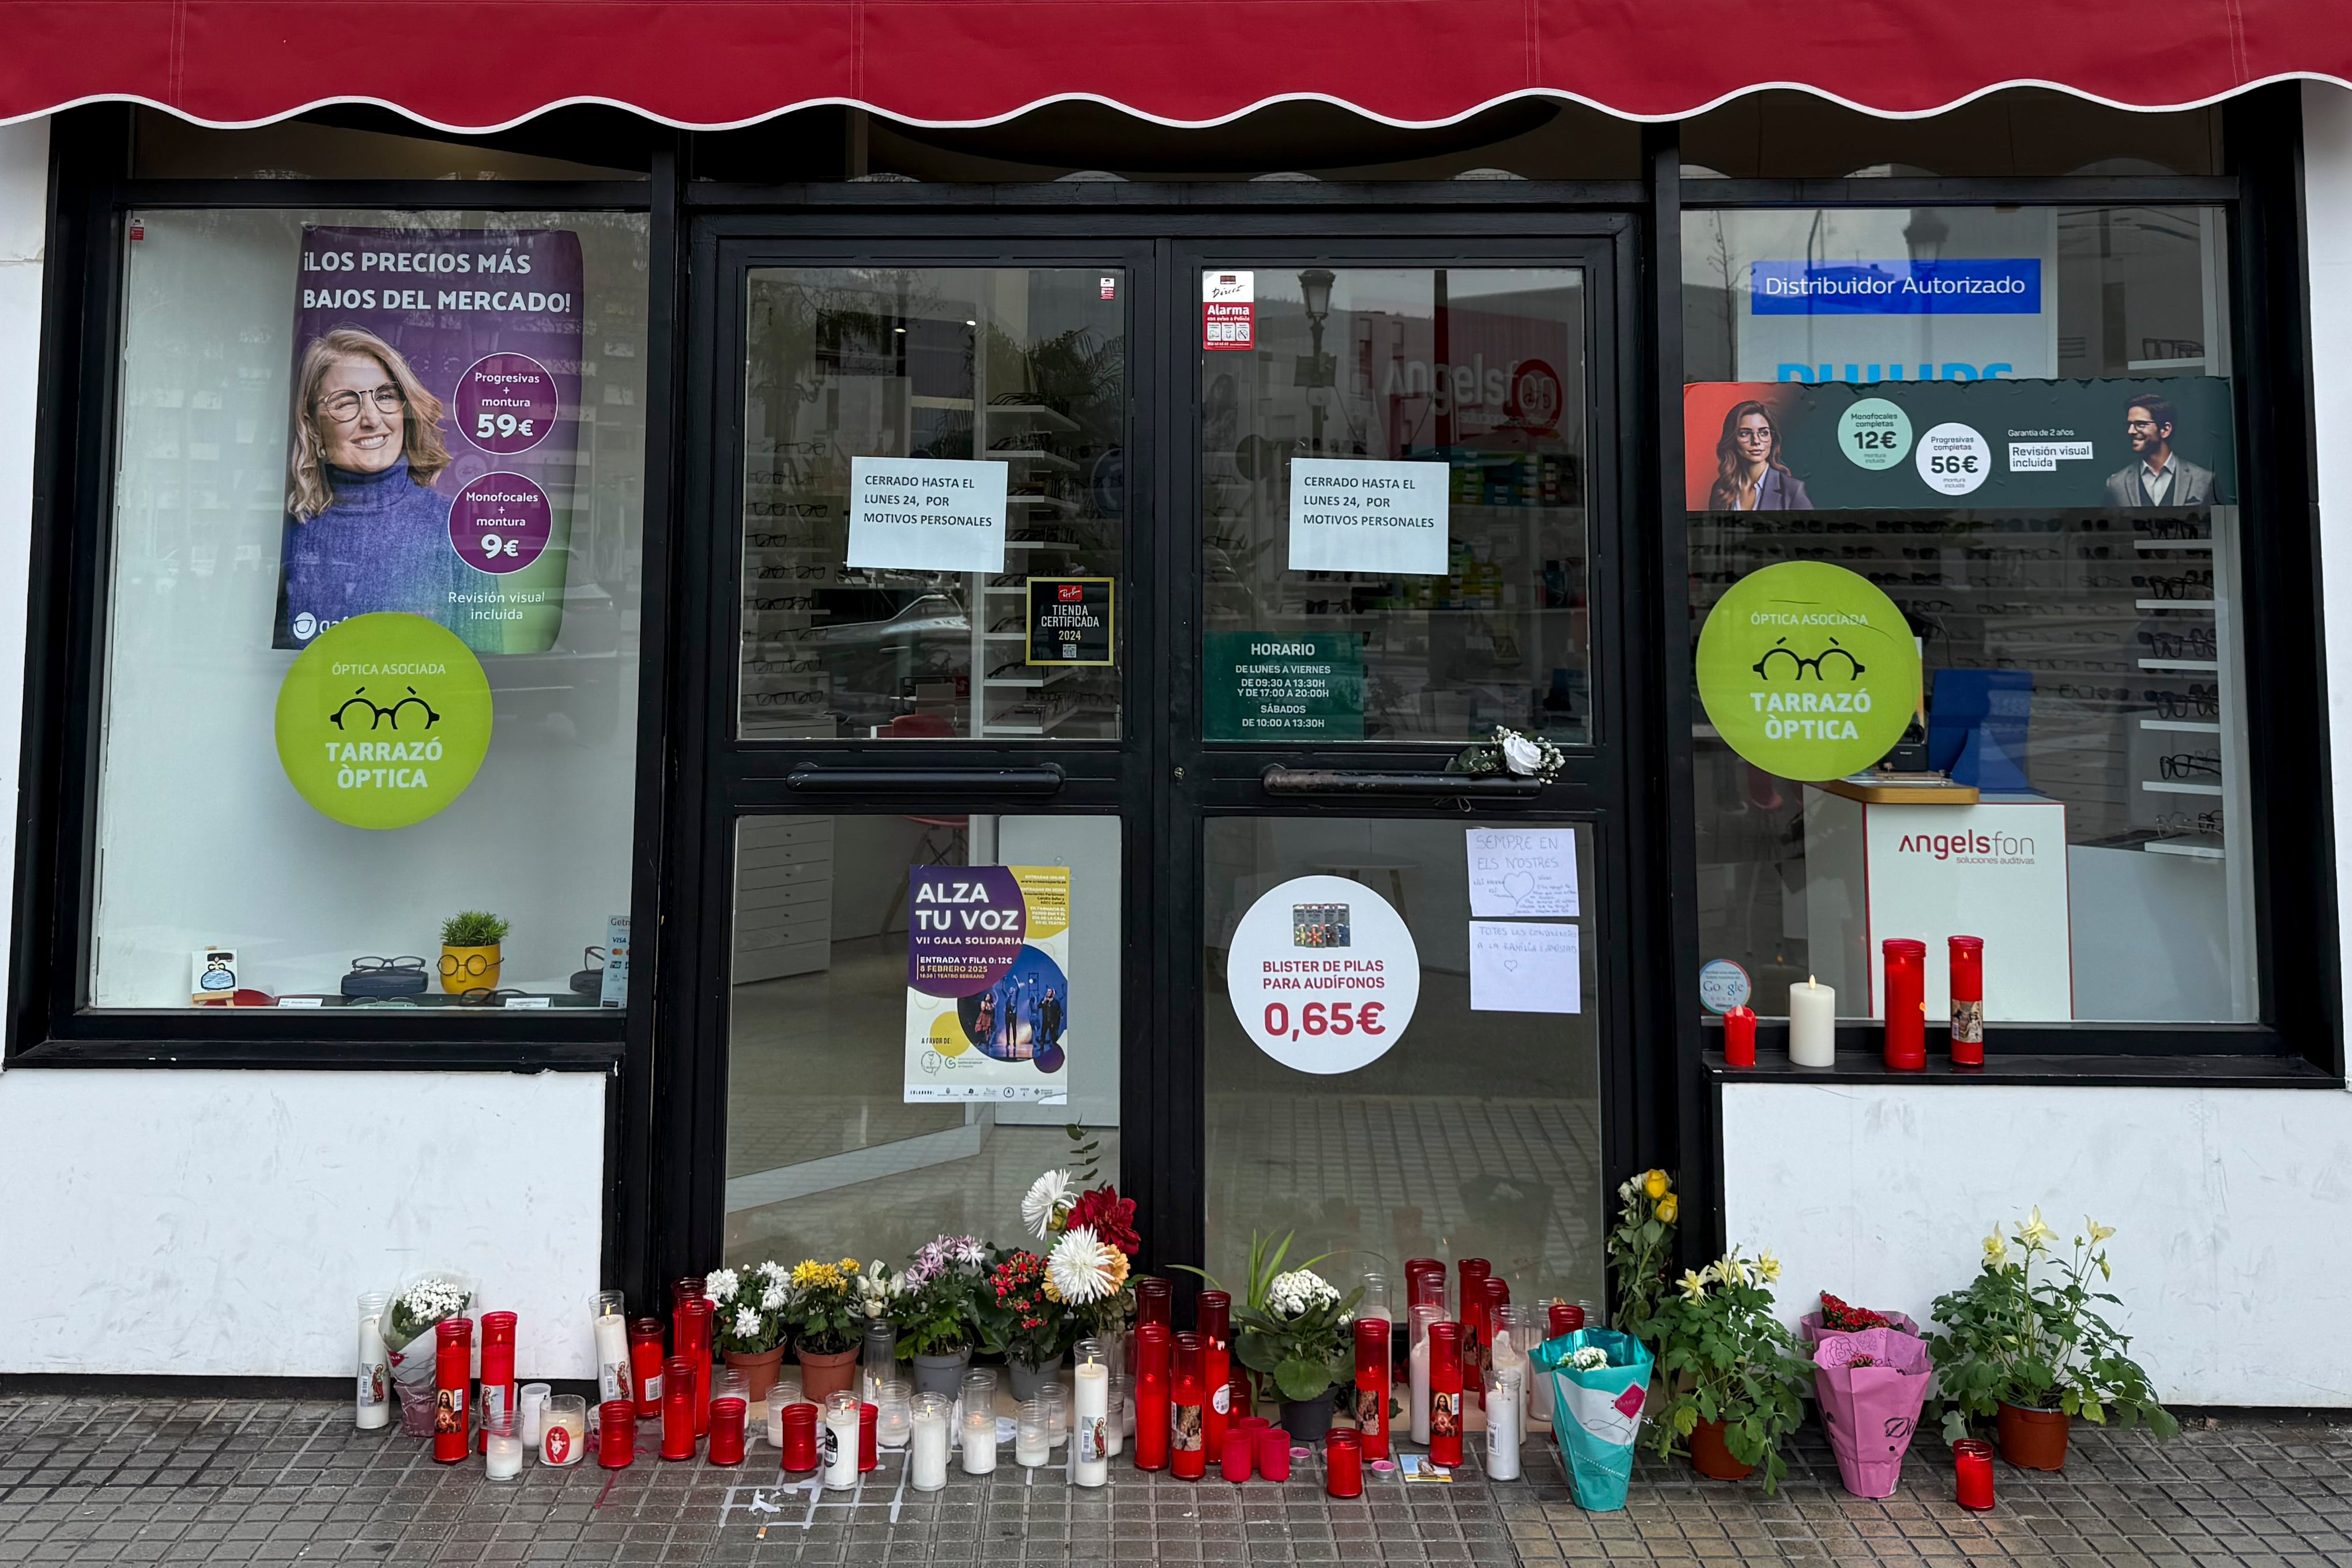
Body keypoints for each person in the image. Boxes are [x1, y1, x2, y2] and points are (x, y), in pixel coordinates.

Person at [273, 327, 460, 649]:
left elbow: (484, 674)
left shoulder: (451, 527)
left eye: (385, 396)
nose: (372, 419)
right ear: (312, 426)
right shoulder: (286, 532)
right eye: (345, 403)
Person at [2105, 394, 2217, 507]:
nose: (2131, 431)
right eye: (2129, 425)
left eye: (2140, 424)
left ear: (2165, 430)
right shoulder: (2116, 484)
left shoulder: (2204, 480)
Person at [1707, 400, 1812, 511]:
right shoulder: (1721, 489)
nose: (1756, 441)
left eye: (1764, 433)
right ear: (1732, 439)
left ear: (1772, 439)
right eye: (1745, 434)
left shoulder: (1793, 491)